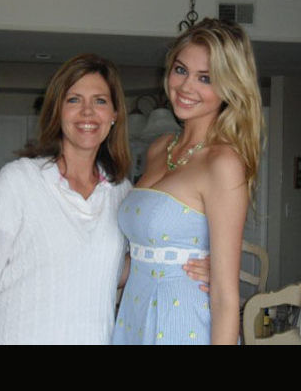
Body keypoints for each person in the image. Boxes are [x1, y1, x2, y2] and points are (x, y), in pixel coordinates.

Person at [0, 53, 209, 345]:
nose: (87, 112)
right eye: (74, 100)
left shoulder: (121, 193)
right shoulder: (17, 181)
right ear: (57, 111)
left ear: (114, 114)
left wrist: (193, 266)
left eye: (100, 101)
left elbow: (119, 270)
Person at [112, 18, 263, 345]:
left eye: (205, 78)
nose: (185, 86)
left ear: (229, 87)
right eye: (181, 70)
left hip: (183, 323)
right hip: (135, 317)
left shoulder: (222, 163)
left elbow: (225, 295)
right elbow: (137, 256)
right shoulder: (159, 148)